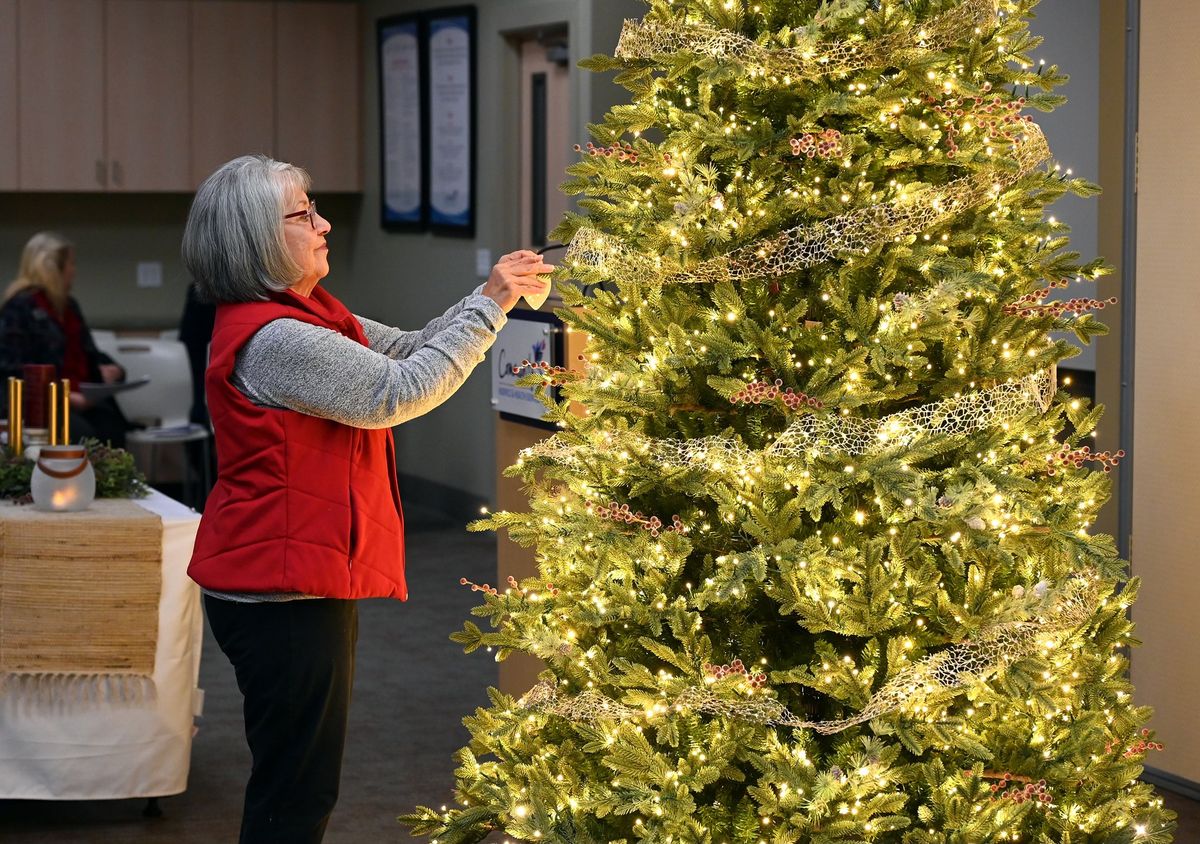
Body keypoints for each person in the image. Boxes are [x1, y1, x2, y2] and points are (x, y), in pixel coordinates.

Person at [181, 154, 551, 844]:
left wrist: (486, 297)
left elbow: (410, 348)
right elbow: (397, 392)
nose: (323, 225)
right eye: (303, 214)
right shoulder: (279, 337)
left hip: (288, 586)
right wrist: (492, 304)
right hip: (278, 596)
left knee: (299, 783)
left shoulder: (309, 315)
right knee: (295, 792)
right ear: (257, 236)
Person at [0, 231, 131, 447]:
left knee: (112, 427)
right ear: (52, 268)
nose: (74, 271)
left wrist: (111, 369)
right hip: (43, 405)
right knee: (84, 433)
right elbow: (14, 370)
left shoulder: (69, 306)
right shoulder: (19, 308)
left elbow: (88, 351)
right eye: (71, 264)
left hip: (81, 398)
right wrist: (63, 397)